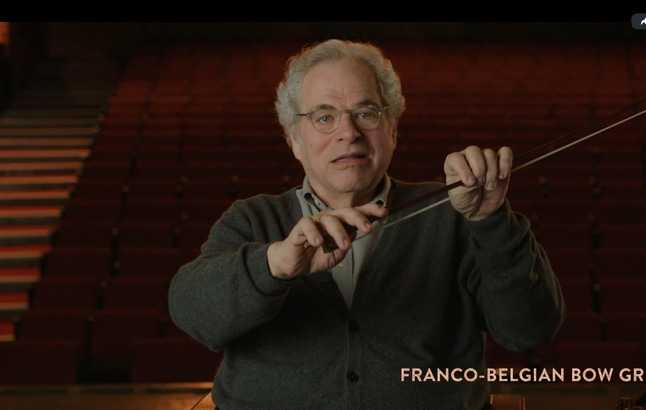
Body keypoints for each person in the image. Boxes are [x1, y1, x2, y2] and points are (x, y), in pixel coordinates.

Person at [169, 39, 565, 410]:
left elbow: (529, 330)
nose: (349, 133)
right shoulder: (252, 218)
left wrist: (491, 221)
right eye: (324, 116)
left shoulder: (456, 213)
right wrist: (275, 265)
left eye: (366, 113)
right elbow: (194, 314)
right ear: (294, 139)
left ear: (392, 129)